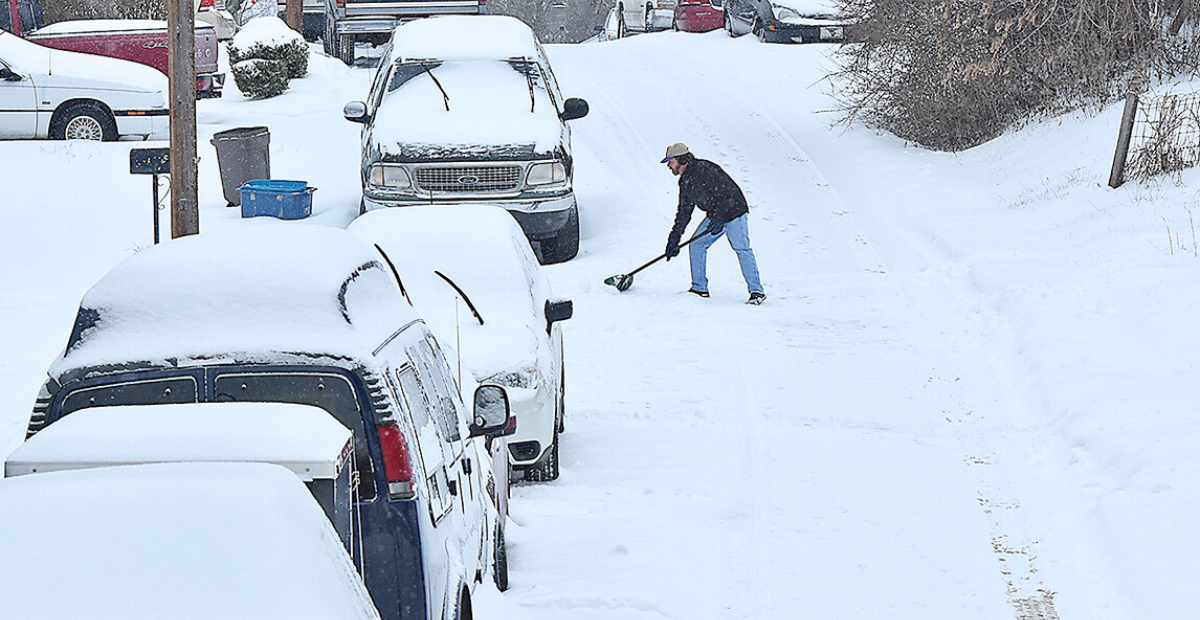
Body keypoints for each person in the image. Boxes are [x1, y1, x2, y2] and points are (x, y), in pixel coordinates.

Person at [661, 142, 766, 305]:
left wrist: (719, 218)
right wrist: (673, 240)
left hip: (734, 212)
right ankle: (699, 288)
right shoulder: (685, 181)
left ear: (681, 159)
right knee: (696, 244)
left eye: (671, 161)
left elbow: (727, 195)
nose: (668, 165)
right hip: (716, 215)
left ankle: (756, 291)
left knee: (741, 248)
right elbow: (684, 213)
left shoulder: (705, 169)